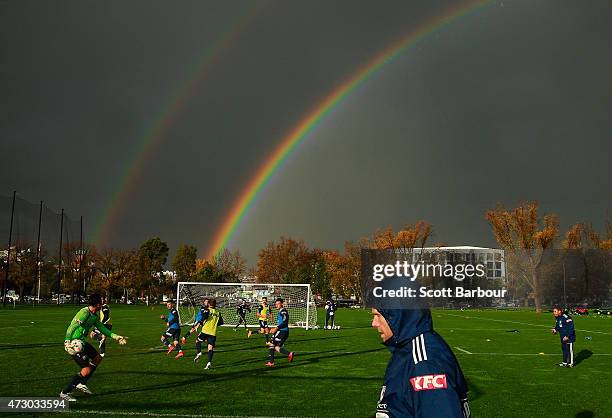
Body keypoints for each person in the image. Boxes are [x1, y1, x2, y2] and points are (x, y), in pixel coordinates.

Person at [371, 308, 470, 417]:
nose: (374, 323)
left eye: (378, 315)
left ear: (398, 315)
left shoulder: (425, 364)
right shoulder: (406, 349)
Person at [60, 294, 127, 402]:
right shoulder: (84, 313)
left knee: (97, 358)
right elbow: (72, 326)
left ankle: (82, 383)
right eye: (101, 302)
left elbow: (101, 328)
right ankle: (65, 392)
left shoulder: (94, 315)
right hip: (74, 344)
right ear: (97, 304)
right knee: (85, 370)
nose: (102, 304)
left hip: (82, 342)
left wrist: (116, 336)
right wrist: (67, 341)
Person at [194, 298, 223, 369]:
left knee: (197, 341)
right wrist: (214, 324)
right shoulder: (218, 312)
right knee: (210, 348)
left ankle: (199, 352)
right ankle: (209, 362)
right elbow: (221, 322)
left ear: (209, 304)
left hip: (205, 331)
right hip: (213, 332)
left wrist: (198, 324)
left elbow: (204, 317)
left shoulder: (207, 310)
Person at [265, 297, 294, 367]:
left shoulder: (283, 311)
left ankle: (271, 362)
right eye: (276, 304)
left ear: (282, 304)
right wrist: (274, 328)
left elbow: (285, 322)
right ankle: (289, 354)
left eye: (278, 304)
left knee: (271, 343)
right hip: (282, 331)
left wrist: (276, 328)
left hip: (282, 332)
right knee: (276, 347)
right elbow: (282, 323)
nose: (276, 305)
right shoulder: (280, 312)